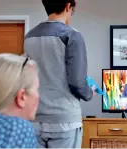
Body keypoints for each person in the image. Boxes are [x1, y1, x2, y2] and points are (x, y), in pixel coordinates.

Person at [24, 0, 95, 148]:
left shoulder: (29, 36)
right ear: (68, 6)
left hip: (35, 118)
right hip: (64, 120)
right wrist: (89, 93)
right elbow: (77, 81)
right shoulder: (72, 35)